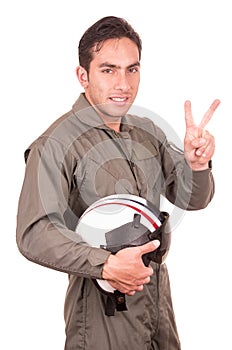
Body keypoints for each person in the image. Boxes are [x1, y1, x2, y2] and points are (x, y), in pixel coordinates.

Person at [16, 16, 220, 350]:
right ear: (83, 75)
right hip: (102, 314)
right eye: (108, 70)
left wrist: (197, 165)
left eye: (132, 69)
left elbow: (192, 199)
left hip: (157, 303)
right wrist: (106, 264)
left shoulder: (147, 132)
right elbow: (33, 232)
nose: (123, 83)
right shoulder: (54, 144)